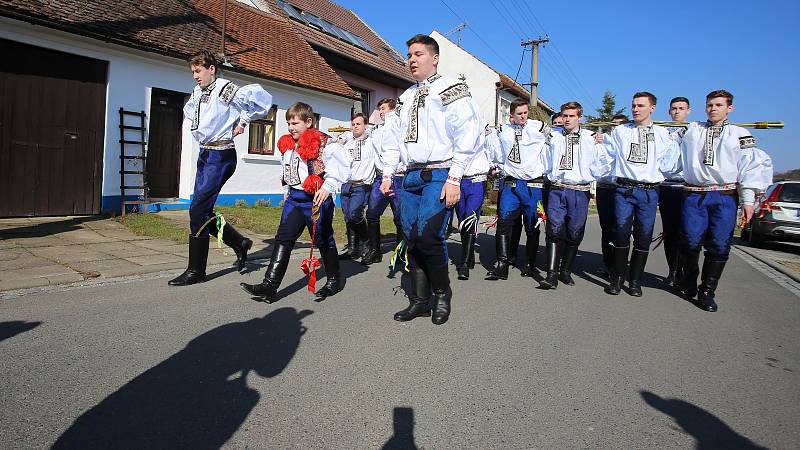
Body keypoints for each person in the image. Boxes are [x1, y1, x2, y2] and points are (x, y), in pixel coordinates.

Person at [380, 34, 482, 325]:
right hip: (410, 175)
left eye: (418, 54)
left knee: (428, 234)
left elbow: (467, 132)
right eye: (409, 55)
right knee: (411, 237)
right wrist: (388, 173)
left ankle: (442, 293)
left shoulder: (452, 89)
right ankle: (420, 301)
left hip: (440, 172)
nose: (411, 59)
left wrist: (455, 177)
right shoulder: (405, 97)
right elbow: (392, 139)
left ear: (435, 58)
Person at [169, 50, 272, 286]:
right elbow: (194, 114)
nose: (195, 76)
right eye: (193, 71)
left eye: (198, 71)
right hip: (206, 153)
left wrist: (243, 122)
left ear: (211, 69)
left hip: (221, 155)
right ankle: (240, 243)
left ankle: (196, 270)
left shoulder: (225, 88)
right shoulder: (199, 91)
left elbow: (256, 102)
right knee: (201, 210)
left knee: (197, 210)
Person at [240, 102, 351, 302]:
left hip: (315, 200)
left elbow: (341, 166)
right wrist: (286, 190)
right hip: (294, 200)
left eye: (295, 123)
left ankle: (334, 280)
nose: (291, 127)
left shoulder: (324, 143)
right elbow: (287, 169)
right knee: (283, 239)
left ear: (309, 122)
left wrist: (328, 187)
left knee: (323, 240)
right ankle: (269, 286)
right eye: (288, 123)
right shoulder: (288, 145)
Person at [678, 90, 772, 312]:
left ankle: (707, 291)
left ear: (729, 108)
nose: (713, 108)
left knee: (719, 245)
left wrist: (748, 201)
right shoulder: (692, 130)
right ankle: (689, 276)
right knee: (690, 241)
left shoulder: (740, 134)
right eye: (710, 105)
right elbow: (666, 135)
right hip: (694, 194)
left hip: (725, 196)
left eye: (718, 105)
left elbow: (751, 167)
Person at [602, 92, 680, 297]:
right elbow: (608, 155)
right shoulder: (620, 131)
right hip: (624, 190)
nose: (635, 109)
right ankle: (617, 278)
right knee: (620, 233)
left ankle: (635, 280)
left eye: (640, 105)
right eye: (633, 105)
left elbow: (670, 163)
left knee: (643, 236)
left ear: (652, 108)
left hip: (649, 191)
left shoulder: (664, 134)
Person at [540, 102, 607, 289]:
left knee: (574, 232)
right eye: (564, 115)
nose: (566, 119)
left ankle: (565, 271)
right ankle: (551, 275)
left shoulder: (591, 138)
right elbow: (544, 158)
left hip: (580, 191)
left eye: (571, 116)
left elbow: (602, 161)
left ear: (580, 117)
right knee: (554, 230)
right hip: (557, 189)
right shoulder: (553, 136)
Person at [486, 99, 552, 282]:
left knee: (532, 225)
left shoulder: (538, 127)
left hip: (533, 185)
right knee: (504, 222)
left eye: (525, 112)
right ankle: (502, 264)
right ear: (511, 115)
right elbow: (493, 149)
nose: (524, 116)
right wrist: (493, 166)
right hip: (510, 183)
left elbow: (555, 144)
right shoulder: (502, 130)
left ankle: (530, 264)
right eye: (520, 113)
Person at [362, 98, 405, 265]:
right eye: (379, 109)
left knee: (399, 216)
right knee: (371, 213)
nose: (381, 112)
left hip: (399, 177)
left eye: (383, 108)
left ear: (392, 110)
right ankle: (375, 251)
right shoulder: (377, 130)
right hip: (380, 177)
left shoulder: (399, 126)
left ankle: (401, 252)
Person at [659, 97, 691, 287]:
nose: (677, 112)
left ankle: (686, 270)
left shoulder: (695, 130)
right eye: (674, 109)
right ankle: (673, 270)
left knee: (687, 233)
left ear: (688, 110)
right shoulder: (663, 132)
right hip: (667, 187)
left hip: (688, 187)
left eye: (681, 108)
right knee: (670, 232)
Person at [338, 113, 376, 263]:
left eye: (358, 124)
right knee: (348, 217)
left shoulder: (372, 142)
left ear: (365, 125)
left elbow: (377, 130)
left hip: (362, 185)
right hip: (347, 184)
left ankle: (366, 243)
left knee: (355, 214)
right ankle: (353, 249)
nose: (355, 127)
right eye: (353, 124)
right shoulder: (348, 142)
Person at [455, 128, 491, 280]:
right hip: (458, 180)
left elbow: (495, 150)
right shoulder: (454, 130)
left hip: (477, 180)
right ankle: (468, 255)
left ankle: (463, 264)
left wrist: (494, 166)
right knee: (462, 219)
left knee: (470, 217)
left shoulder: (484, 131)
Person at [594, 114, 628, 276]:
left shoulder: (623, 144)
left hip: (621, 188)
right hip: (604, 187)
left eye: (620, 126)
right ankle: (607, 263)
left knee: (620, 228)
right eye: (613, 126)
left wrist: (608, 140)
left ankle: (619, 263)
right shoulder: (602, 143)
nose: (616, 129)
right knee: (606, 228)